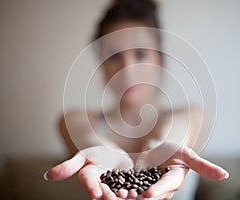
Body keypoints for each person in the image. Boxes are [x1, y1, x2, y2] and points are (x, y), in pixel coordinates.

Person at [44, 0, 229, 199]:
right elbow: (84, 133)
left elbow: (177, 129)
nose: (127, 69)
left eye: (140, 54)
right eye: (114, 56)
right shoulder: (75, 120)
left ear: (160, 60)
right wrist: (101, 151)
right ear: (102, 65)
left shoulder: (193, 115)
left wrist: (160, 146)